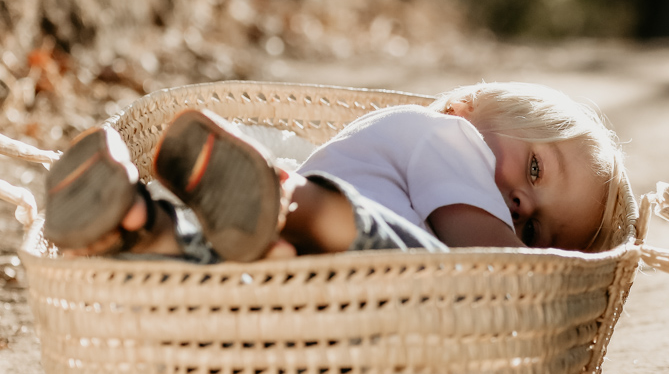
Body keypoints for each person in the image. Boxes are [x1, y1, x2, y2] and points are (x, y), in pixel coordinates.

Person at [43, 82, 624, 262]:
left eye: (535, 231)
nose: (519, 204)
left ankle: (139, 221)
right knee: (426, 269)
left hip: (282, 275)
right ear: (465, 108)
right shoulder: (451, 140)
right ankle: (287, 200)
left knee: (204, 260)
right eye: (535, 169)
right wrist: (558, 277)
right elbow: (500, 271)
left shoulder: (404, 146)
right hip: (347, 245)